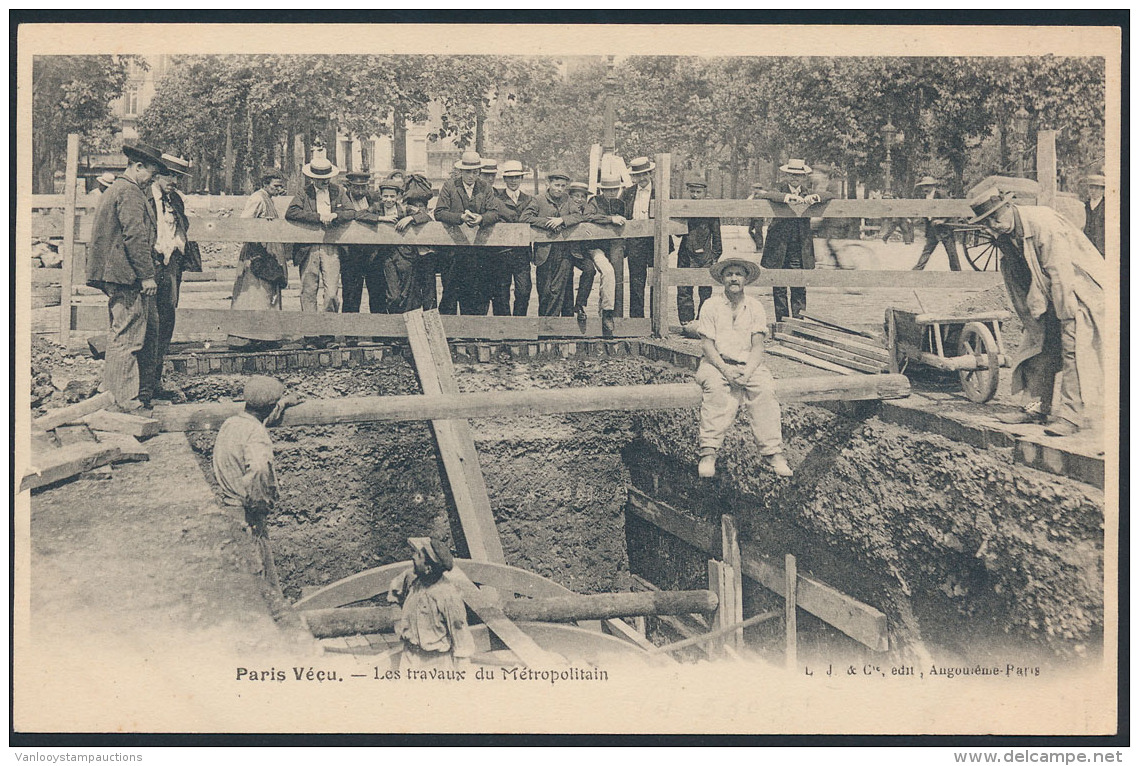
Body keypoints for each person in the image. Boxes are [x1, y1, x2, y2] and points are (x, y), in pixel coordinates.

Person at [970, 189, 1105, 438]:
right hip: (1047, 290)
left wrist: (1066, 315)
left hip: (1078, 289)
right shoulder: (1008, 231)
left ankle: (1070, 417)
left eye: (995, 217)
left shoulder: (1044, 225)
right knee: (1038, 346)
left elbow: (1060, 271)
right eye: (985, 222)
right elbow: (1020, 271)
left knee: (1072, 350)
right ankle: (1035, 409)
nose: (992, 225)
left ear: (1009, 207)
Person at [693, 258, 792, 479]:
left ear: (745, 279)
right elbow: (707, 345)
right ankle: (709, 452)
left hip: (748, 364)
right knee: (717, 392)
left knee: (765, 389)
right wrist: (726, 371)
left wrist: (746, 373)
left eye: (738, 274)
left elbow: (758, 346)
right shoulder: (711, 305)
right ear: (722, 279)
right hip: (715, 363)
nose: (734, 279)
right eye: (729, 275)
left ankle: (772, 453)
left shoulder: (755, 306)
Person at [86, 140, 165, 412]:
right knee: (129, 337)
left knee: (120, 334)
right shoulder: (130, 191)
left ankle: (110, 394)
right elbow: (134, 236)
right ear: (138, 167)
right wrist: (147, 275)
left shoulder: (117, 188)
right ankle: (124, 401)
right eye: (151, 174)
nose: (151, 180)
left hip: (115, 273)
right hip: (125, 275)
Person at [212, 376, 302, 591]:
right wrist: (261, 504)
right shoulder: (256, 434)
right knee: (259, 577)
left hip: (228, 507)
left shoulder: (232, 423)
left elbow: (260, 419)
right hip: (247, 514)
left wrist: (285, 402)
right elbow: (260, 469)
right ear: (268, 407)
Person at [286, 154, 356, 347]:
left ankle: (327, 334)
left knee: (332, 291)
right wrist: (318, 217)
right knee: (308, 290)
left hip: (331, 246)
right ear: (312, 178)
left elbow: (350, 212)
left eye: (326, 178)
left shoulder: (338, 191)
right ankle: (311, 335)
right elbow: (291, 212)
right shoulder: (304, 193)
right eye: (319, 179)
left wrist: (334, 215)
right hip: (309, 248)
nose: (323, 182)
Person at [148, 153, 201, 401]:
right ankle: (142, 385)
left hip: (170, 268)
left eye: (178, 177)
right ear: (156, 173)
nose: (174, 181)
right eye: (170, 175)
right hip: (149, 265)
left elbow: (182, 229)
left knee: (166, 320)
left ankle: (155, 380)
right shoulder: (144, 196)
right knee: (148, 323)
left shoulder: (175, 199)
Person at [758, 158, 832, 322]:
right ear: (786, 175)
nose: (794, 178)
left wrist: (816, 198)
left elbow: (830, 195)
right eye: (791, 174)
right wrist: (786, 198)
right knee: (779, 285)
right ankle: (782, 321)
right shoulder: (779, 189)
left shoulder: (807, 192)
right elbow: (765, 194)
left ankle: (798, 322)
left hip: (799, 245)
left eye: (798, 175)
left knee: (799, 283)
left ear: (804, 177)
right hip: (779, 244)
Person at [387, 536, 476, 671]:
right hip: (408, 658)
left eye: (419, 555)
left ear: (428, 568)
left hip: (436, 664)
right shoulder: (412, 578)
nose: (413, 557)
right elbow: (394, 592)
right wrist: (398, 621)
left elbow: (461, 636)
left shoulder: (448, 595)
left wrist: (463, 675)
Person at [433, 151, 504, 315]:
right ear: (461, 171)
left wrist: (481, 218)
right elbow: (439, 212)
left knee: (474, 291)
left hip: (477, 251)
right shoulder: (450, 186)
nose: (471, 176)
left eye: (475, 172)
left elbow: (494, 212)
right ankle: (450, 333)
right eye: (468, 172)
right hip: (453, 250)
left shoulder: (485, 187)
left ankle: (470, 333)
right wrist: (460, 217)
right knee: (450, 291)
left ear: (479, 172)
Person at [230, 170, 290, 350]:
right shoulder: (257, 198)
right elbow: (245, 223)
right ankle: (247, 335)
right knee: (253, 294)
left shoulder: (268, 199)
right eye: (275, 186)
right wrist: (259, 237)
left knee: (267, 294)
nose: (279, 190)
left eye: (280, 186)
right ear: (265, 184)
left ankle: (265, 335)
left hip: (269, 252)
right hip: (257, 253)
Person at [521, 169, 584, 317]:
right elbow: (525, 218)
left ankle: (553, 330)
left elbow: (578, 215)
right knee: (545, 291)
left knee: (558, 290)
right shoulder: (538, 199)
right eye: (556, 185)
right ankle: (544, 328)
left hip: (564, 252)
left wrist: (562, 220)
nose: (559, 189)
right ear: (548, 184)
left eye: (563, 186)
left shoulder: (568, 200)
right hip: (544, 252)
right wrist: (547, 222)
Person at [384, 173, 438, 313]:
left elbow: (427, 216)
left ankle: (431, 329)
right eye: (414, 204)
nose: (418, 207)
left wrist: (412, 219)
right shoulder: (402, 210)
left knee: (429, 295)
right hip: (409, 257)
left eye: (421, 204)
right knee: (409, 296)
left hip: (427, 255)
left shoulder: (425, 215)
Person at [675, 173, 723, 328]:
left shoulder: (710, 211)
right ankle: (686, 321)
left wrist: (715, 256)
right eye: (692, 192)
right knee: (684, 288)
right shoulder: (685, 207)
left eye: (698, 192)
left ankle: (703, 320)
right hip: (685, 253)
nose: (695, 195)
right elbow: (676, 231)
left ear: (705, 193)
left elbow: (717, 235)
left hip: (704, 255)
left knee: (705, 290)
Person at [581, 174, 625, 337]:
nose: (612, 192)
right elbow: (587, 217)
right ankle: (607, 312)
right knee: (607, 271)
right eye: (608, 190)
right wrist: (610, 218)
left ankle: (607, 312)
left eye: (615, 189)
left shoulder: (620, 203)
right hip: (595, 247)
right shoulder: (594, 201)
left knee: (615, 277)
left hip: (613, 247)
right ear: (602, 190)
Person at [340, 170, 387, 319]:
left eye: (363, 187)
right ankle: (351, 334)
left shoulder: (374, 197)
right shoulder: (342, 198)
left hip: (373, 253)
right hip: (351, 254)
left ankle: (378, 333)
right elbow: (350, 215)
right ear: (349, 186)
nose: (360, 191)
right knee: (351, 294)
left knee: (378, 293)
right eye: (356, 187)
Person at [491, 160, 534, 316]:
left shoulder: (529, 199)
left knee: (524, 291)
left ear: (521, 179)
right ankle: (504, 330)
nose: (514, 181)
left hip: (522, 254)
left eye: (517, 177)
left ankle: (519, 326)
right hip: (502, 254)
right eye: (510, 178)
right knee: (501, 292)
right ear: (504, 180)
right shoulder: (497, 200)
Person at [619, 156, 656, 318]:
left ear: (650, 174)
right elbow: (619, 213)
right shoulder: (627, 193)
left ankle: (656, 319)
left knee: (656, 280)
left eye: (644, 174)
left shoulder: (660, 191)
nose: (641, 178)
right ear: (633, 177)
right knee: (636, 281)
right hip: (635, 242)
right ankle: (637, 320)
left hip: (655, 241)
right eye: (637, 175)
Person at [563, 181, 599, 327]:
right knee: (566, 278)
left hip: (580, 251)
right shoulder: (565, 208)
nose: (579, 199)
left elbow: (592, 218)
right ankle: (566, 315)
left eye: (582, 196)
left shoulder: (588, 209)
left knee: (590, 270)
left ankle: (580, 304)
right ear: (569, 196)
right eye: (575, 196)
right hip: (565, 251)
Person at [910, 176, 963, 271]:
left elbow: (950, 209)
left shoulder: (941, 195)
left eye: (927, 186)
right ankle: (916, 271)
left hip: (944, 228)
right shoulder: (923, 197)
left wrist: (943, 220)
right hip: (932, 228)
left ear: (932, 186)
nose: (924, 188)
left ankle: (957, 273)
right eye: (923, 186)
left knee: (951, 252)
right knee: (927, 250)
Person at [1083, 174, 1105, 256]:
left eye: (1096, 188)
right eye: (1091, 188)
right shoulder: (1085, 206)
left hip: (1102, 249)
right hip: (1087, 248)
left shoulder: (1107, 206)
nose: (1093, 191)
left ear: (1103, 190)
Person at [746, 181, 766, 253]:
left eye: (756, 188)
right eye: (754, 188)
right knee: (750, 231)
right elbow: (748, 202)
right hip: (753, 216)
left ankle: (760, 247)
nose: (755, 190)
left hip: (759, 217)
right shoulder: (752, 196)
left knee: (758, 232)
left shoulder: (763, 195)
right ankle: (759, 245)